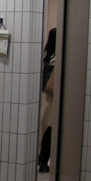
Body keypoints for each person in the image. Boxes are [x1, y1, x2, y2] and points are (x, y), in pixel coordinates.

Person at [39, 28, 56, 172]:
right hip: (54, 98)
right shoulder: (57, 57)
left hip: (48, 97)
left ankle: (43, 158)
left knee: (51, 129)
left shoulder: (47, 55)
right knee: (52, 129)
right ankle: (44, 159)